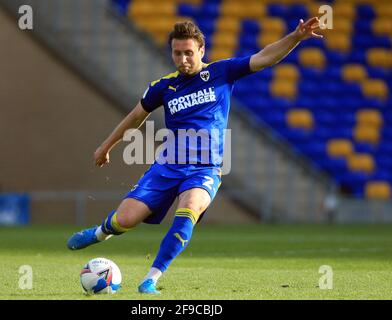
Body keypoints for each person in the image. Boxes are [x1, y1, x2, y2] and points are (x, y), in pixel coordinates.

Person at [67, 18, 323, 294]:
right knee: (127, 219)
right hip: (167, 166)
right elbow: (135, 117)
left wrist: (295, 37)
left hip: (206, 168)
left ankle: (150, 278)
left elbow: (263, 58)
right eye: (177, 53)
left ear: (202, 50)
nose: (183, 58)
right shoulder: (163, 87)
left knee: (188, 211)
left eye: (189, 52)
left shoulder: (222, 72)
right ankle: (100, 234)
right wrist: (106, 146)